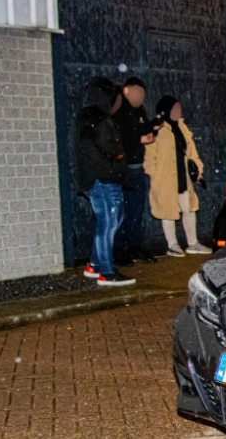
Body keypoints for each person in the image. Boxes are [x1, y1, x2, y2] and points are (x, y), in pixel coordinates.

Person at [74, 77, 136, 286]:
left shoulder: (98, 117)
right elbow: (90, 148)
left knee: (112, 220)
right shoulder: (93, 117)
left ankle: (95, 264)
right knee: (108, 222)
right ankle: (107, 272)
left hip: (107, 178)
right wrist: (110, 165)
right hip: (103, 179)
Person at [145, 96, 212, 256]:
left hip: (183, 176)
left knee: (189, 208)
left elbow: (191, 151)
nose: (178, 111)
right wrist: (154, 173)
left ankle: (193, 243)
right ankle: (173, 245)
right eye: (175, 108)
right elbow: (149, 155)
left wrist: (198, 168)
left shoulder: (182, 127)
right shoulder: (158, 129)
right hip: (165, 177)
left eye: (179, 108)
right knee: (167, 211)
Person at [112, 77, 159, 264]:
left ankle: (134, 247)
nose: (140, 97)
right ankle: (118, 249)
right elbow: (119, 139)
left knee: (136, 210)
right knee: (121, 211)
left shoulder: (139, 110)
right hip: (123, 170)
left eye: (143, 95)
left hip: (138, 167)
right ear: (126, 91)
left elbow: (143, 129)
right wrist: (139, 140)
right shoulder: (118, 110)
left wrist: (151, 130)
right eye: (137, 93)